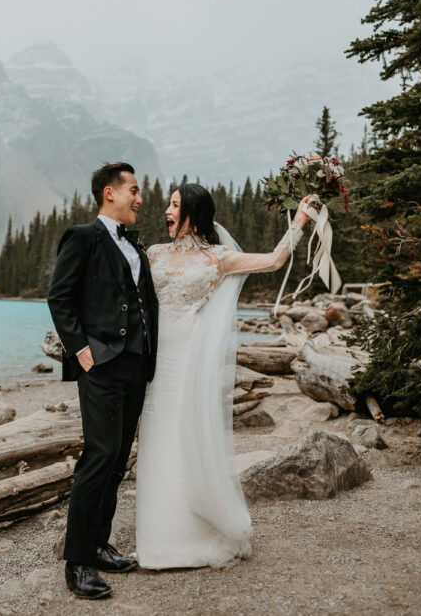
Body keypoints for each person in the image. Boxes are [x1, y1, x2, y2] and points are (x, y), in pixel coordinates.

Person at [135, 182, 312, 569]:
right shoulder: (154, 254)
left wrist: (298, 221)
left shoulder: (220, 258)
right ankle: (155, 542)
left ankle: (192, 537)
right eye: (168, 203)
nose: (166, 210)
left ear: (193, 214)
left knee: (184, 440)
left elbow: (274, 260)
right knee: (156, 440)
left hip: (188, 363)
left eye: (175, 205)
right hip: (155, 362)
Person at [47, 162, 158, 600]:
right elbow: (59, 296)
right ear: (110, 193)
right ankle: (77, 563)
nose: (139, 197)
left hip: (136, 366)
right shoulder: (83, 236)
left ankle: (98, 544)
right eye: (133, 189)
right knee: (98, 456)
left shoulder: (136, 246)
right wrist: (81, 349)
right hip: (102, 366)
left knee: (117, 461)